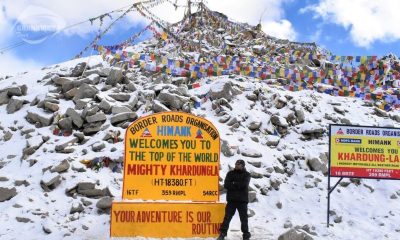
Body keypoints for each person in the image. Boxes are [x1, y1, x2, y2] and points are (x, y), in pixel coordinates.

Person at [217, 159, 251, 240]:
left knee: (244, 219)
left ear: (243, 166)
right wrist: (236, 184)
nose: (237, 165)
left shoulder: (247, 174)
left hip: (242, 201)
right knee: (227, 217)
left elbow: (244, 185)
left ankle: (246, 235)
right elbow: (226, 185)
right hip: (231, 200)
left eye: (239, 164)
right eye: (236, 164)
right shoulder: (230, 173)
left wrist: (233, 183)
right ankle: (222, 234)